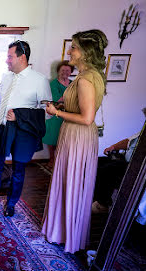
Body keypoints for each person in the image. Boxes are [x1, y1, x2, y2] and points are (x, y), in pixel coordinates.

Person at [41, 29, 108, 253]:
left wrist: (56, 112)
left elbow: (87, 118)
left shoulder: (86, 79)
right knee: (71, 182)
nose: (70, 51)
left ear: (86, 52)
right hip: (76, 135)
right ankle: (64, 231)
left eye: (74, 47)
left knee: (71, 182)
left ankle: (66, 234)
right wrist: (61, 105)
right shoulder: (87, 76)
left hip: (78, 136)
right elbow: (80, 107)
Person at [0, 40, 51, 217]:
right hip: (1, 129)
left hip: (22, 132)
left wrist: (20, 116)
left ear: (22, 57)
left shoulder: (39, 80)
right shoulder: (6, 77)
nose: (7, 61)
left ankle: (11, 203)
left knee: (18, 170)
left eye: (10, 57)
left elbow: (47, 112)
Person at [42, 61, 74, 168]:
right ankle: (52, 160)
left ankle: (60, 162)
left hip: (69, 115)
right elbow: (58, 99)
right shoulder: (53, 84)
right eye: (62, 70)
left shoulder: (73, 84)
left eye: (67, 70)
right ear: (58, 71)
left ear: (71, 72)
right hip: (55, 115)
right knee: (52, 139)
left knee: (65, 140)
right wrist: (72, 98)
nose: (65, 72)